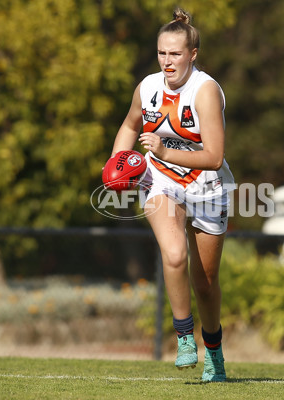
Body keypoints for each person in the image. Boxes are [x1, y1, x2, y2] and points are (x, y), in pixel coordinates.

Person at [109, 8, 235, 382]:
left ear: (192, 54)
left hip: (208, 186)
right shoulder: (147, 87)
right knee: (175, 254)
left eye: (175, 54)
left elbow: (214, 157)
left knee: (206, 283)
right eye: (162, 53)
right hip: (159, 180)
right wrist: (119, 161)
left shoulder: (205, 90)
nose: (167, 61)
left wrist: (164, 150)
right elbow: (130, 124)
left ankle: (214, 351)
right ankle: (183, 338)